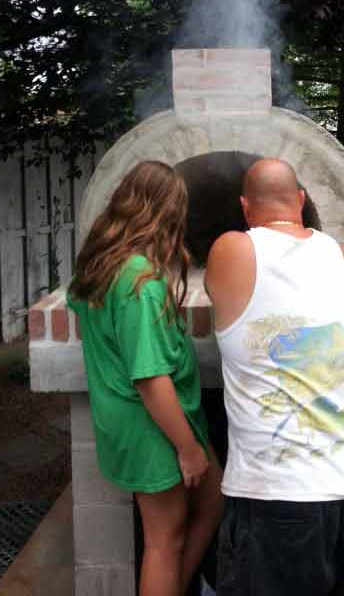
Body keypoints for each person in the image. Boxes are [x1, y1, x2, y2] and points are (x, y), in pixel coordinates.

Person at [205, 158, 344, 596]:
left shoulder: (231, 249)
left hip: (276, 498)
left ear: (245, 207)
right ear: (301, 200)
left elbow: (210, 291)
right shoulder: (337, 254)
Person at [67, 161, 223, 596]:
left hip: (144, 421)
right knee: (163, 541)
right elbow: (151, 380)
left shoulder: (101, 267)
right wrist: (188, 450)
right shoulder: (141, 284)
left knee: (212, 501)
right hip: (152, 427)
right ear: (165, 215)